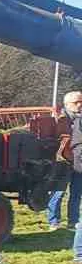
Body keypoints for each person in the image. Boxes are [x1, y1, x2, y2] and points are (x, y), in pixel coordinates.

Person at [48, 91, 82, 231]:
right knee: (58, 192)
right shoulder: (60, 119)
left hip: (78, 161)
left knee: (76, 193)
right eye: (76, 102)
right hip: (62, 160)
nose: (80, 105)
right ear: (67, 104)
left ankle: (72, 222)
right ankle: (54, 222)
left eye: (81, 102)